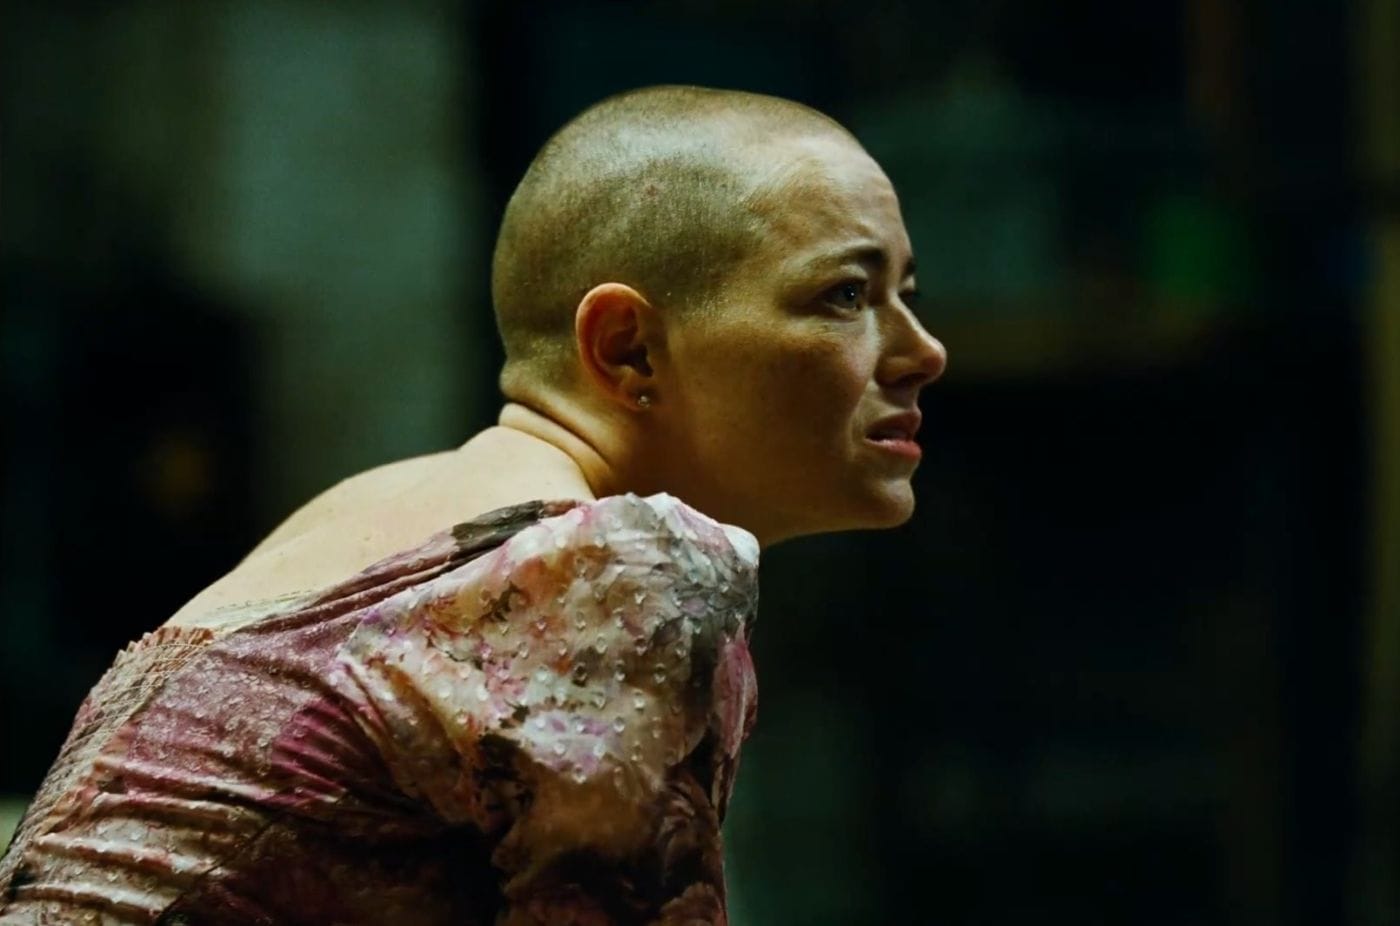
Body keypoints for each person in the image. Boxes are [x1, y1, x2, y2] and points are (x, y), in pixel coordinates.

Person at [0, 84, 946, 925]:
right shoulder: (612, 571)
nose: (923, 351)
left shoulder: (365, 512)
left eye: (904, 293)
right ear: (627, 348)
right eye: (845, 295)